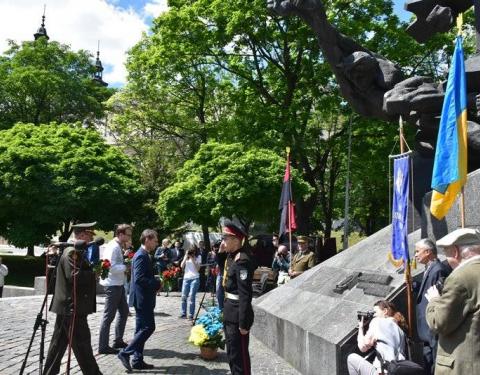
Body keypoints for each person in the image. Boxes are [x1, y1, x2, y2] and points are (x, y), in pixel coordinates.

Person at [43, 222, 102, 375]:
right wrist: (93, 274)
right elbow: (74, 276)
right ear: (81, 235)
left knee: (58, 344)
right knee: (82, 345)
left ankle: (48, 373)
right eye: (89, 235)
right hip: (72, 307)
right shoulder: (72, 252)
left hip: (68, 306)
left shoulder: (76, 251)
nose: (91, 238)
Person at [425, 228, 480, 375]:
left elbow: (439, 323)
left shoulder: (459, 278)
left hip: (463, 367)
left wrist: (434, 301)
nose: (447, 260)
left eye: (446, 253)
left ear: (455, 251)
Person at [118, 229, 160, 372]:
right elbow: (140, 278)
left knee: (140, 330)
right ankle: (125, 353)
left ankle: (137, 360)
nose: (157, 243)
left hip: (142, 298)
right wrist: (156, 283)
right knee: (149, 327)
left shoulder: (143, 254)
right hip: (142, 299)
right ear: (147, 239)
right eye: (155, 240)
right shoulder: (141, 255)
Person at [413, 238, 451, 374]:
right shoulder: (429, 268)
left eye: (418, 251)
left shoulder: (438, 270)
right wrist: (414, 285)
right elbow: (427, 291)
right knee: (428, 364)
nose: (415, 255)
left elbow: (438, 298)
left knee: (435, 364)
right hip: (426, 329)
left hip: (432, 327)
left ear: (428, 252)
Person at [222, 219, 254, 375]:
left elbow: (245, 294)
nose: (223, 241)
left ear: (235, 240)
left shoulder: (242, 260)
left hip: (237, 316)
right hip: (229, 311)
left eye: (226, 238)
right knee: (232, 354)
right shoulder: (231, 256)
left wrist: (243, 322)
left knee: (240, 357)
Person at [98, 224, 132, 354]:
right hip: (112, 285)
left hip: (118, 284)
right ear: (120, 234)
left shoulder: (118, 246)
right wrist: (126, 267)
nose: (129, 237)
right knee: (109, 316)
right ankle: (103, 346)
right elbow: (110, 267)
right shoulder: (113, 247)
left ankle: (118, 340)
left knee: (124, 312)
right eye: (128, 234)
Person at [347, 300, 407, 375]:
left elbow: (362, 347)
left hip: (384, 372)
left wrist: (361, 328)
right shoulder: (401, 331)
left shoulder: (377, 322)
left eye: (375, 312)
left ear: (385, 311)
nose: (373, 315)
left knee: (351, 358)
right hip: (399, 371)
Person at [179, 246, 201, 320]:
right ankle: (183, 313)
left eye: (193, 251)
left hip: (195, 278)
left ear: (195, 251)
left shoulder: (198, 257)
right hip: (186, 279)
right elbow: (181, 266)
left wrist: (193, 258)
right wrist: (186, 256)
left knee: (191, 296)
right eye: (190, 251)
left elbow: (198, 269)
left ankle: (191, 315)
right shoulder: (186, 257)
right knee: (183, 296)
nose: (191, 253)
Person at [215, 240, 226, 310]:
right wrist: (221, 249)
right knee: (218, 291)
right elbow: (218, 261)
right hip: (221, 273)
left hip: (227, 274)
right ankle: (221, 308)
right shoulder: (220, 252)